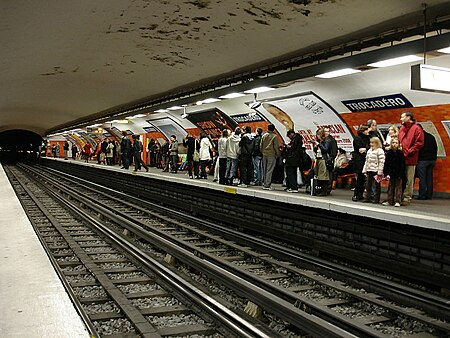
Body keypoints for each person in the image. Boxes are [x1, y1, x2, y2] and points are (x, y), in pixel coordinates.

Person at [398, 111, 424, 205]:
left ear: (408, 117)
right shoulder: (402, 128)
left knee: (409, 179)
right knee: (400, 178)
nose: (401, 119)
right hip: (401, 157)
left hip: (411, 158)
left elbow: (419, 143)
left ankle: (406, 197)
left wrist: (409, 151)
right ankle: (398, 196)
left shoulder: (416, 129)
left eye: (402, 117)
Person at [383, 137, 405, 207]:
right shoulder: (389, 153)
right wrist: (386, 173)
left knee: (398, 187)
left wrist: (401, 174)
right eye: (393, 143)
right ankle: (390, 200)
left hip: (398, 173)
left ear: (398, 144)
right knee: (391, 187)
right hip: (391, 173)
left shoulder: (401, 154)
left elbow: (402, 165)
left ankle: (398, 201)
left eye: (396, 143)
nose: (394, 144)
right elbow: (386, 164)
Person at [417, 125, 437, 200]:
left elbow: (419, 149)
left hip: (423, 160)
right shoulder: (431, 136)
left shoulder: (420, 138)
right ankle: (429, 195)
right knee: (429, 178)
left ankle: (422, 195)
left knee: (422, 178)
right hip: (432, 160)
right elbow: (436, 148)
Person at [362, 137, 385, 204]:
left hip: (376, 171)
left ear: (377, 143)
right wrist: (364, 169)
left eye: (373, 142)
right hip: (369, 170)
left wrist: (380, 171)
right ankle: (367, 198)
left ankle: (376, 199)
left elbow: (381, 162)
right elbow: (367, 161)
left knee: (376, 186)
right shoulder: (369, 151)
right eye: (370, 142)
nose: (371, 144)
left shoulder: (380, 151)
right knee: (368, 185)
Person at [352, 124, 370, 202]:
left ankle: (360, 194)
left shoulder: (368, 138)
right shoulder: (357, 138)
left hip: (364, 160)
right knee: (359, 178)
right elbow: (359, 150)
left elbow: (367, 148)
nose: (368, 131)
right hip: (359, 160)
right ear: (363, 131)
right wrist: (365, 151)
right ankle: (356, 194)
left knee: (363, 179)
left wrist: (365, 150)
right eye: (366, 130)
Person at [260, 124, 281, 190]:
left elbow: (261, 145)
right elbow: (276, 147)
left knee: (265, 169)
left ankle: (264, 183)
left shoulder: (264, 136)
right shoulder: (274, 137)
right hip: (271, 154)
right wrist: (278, 155)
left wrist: (262, 152)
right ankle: (267, 185)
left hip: (264, 154)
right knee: (269, 170)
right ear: (274, 129)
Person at [313, 128, 332, 196]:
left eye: (318, 134)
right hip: (318, 159)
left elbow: (325, 150)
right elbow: (316, 150)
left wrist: (318, 145)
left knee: (323, 176)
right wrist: (315, 147)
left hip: (323, 160)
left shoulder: (326, 141)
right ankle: (320, 190)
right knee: (319, 175)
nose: (317, 136)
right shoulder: (319, 142)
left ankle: (324, 191)